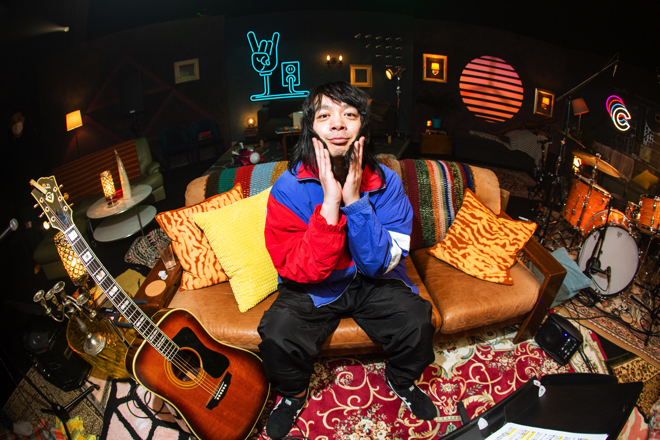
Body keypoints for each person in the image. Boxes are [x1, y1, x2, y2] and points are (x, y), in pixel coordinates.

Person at [259, 81, 437, 438]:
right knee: (277, 333)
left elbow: (380, 263)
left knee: (417, 320)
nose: (338, 123)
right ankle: (293, 395)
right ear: (311, 128)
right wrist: (330, 204)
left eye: (349, 114)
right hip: (315, 284)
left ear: (362, 127)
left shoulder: (387, 182)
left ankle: (400, 380)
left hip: (371, 280)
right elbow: (300, 268)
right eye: (325, 115)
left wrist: (355, 202)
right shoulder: (287, 188)